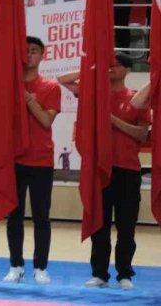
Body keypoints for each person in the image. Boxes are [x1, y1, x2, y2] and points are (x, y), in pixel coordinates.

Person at [59, 53, 150, 290]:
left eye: (115, 65)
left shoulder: (136, 99)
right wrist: (91, 71)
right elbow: (63, 80)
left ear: (128, 70)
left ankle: (124, 274)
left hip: (127, 169)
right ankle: (99, 273)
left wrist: (112, 120)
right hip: (101, 168)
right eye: (108, 65)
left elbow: (141, 134)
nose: (111, 69)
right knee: (99, 225)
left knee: (126, 226)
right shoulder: (94, 95)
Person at [0, 37, 61, 285]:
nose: (30, 55)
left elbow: (46, 121)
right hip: (13, 159)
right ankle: (16, 265)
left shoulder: (50, 87)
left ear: (42, 55)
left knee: (41, 216)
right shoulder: (8, 86)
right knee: (13, 215)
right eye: (25, 51)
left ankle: (40, 267)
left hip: (41, 160)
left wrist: (26, 97)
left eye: (34, 51)